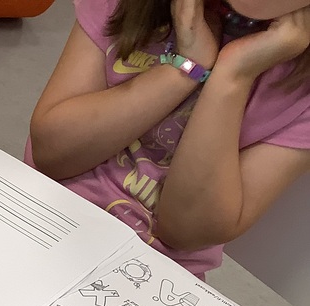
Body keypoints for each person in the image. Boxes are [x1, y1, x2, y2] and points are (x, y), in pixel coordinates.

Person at [28, 0, 310, 278]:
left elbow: (186, 231)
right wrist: (186, 67)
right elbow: (52, 153)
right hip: (42, 216)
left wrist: (233, 76)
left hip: (151, 275)